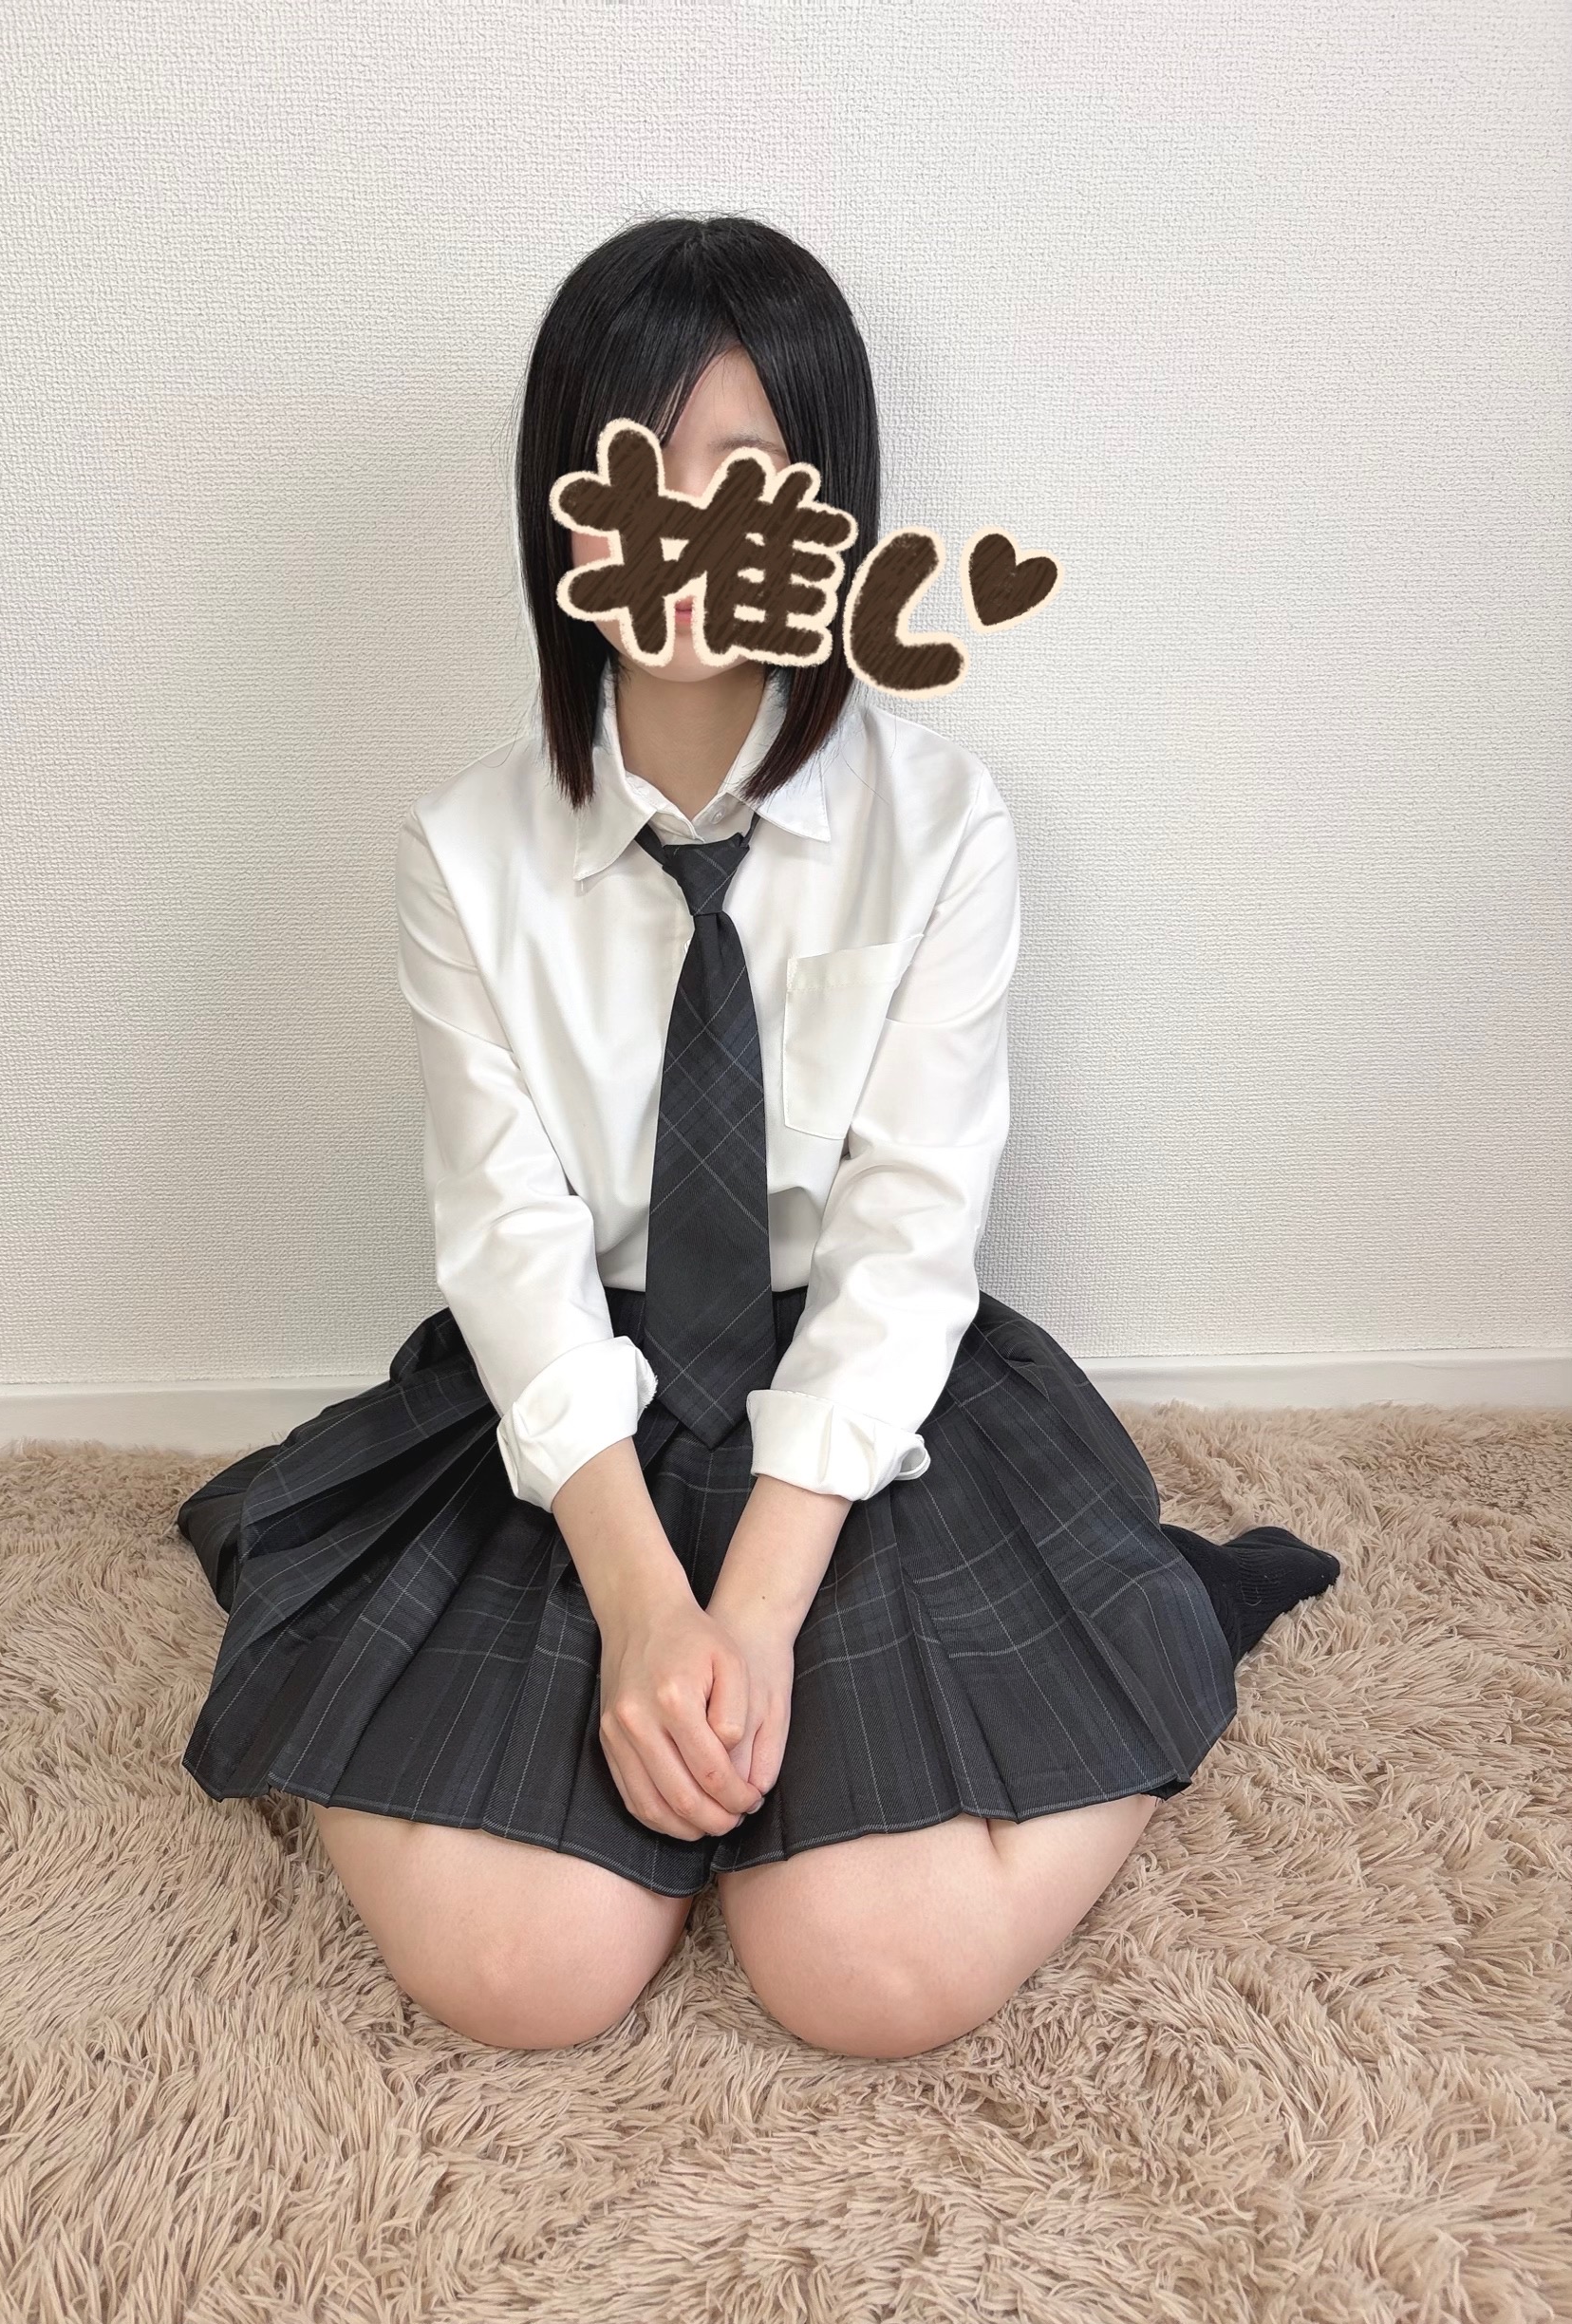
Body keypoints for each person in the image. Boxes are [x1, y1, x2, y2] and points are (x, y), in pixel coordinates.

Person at [176, 214, 1340, 2061]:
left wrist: (764, 1612)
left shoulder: (943, 827)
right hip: (587, 1400)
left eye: (743, 472)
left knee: (867, 1976)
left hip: (860, 1396)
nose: (683, 526)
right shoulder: (464, 856)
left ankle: (1125, 1640)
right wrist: (648, 1611)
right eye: (631, 467)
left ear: (827, 517)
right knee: (525, 1974)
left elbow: (906, 1241)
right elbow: (510, 1244)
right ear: (563, 514)